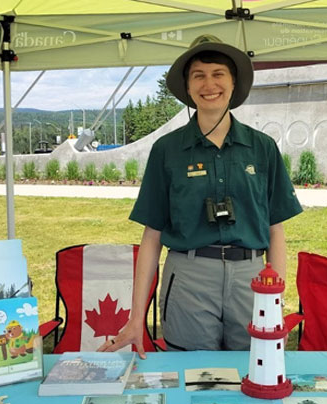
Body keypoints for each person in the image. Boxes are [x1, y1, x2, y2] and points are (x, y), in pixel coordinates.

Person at [106, 35, 303, 357]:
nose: (209, 84)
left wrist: (274, 299)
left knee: (255, 367)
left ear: (233, 82)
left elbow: (276, 229)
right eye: (198, 75)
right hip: (189, 277)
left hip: (251, 278)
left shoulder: (262, 147)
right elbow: (152, 235)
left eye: (218, 74)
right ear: (187, 87)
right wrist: (135, 319)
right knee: (193, 377)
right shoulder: (166, 150)